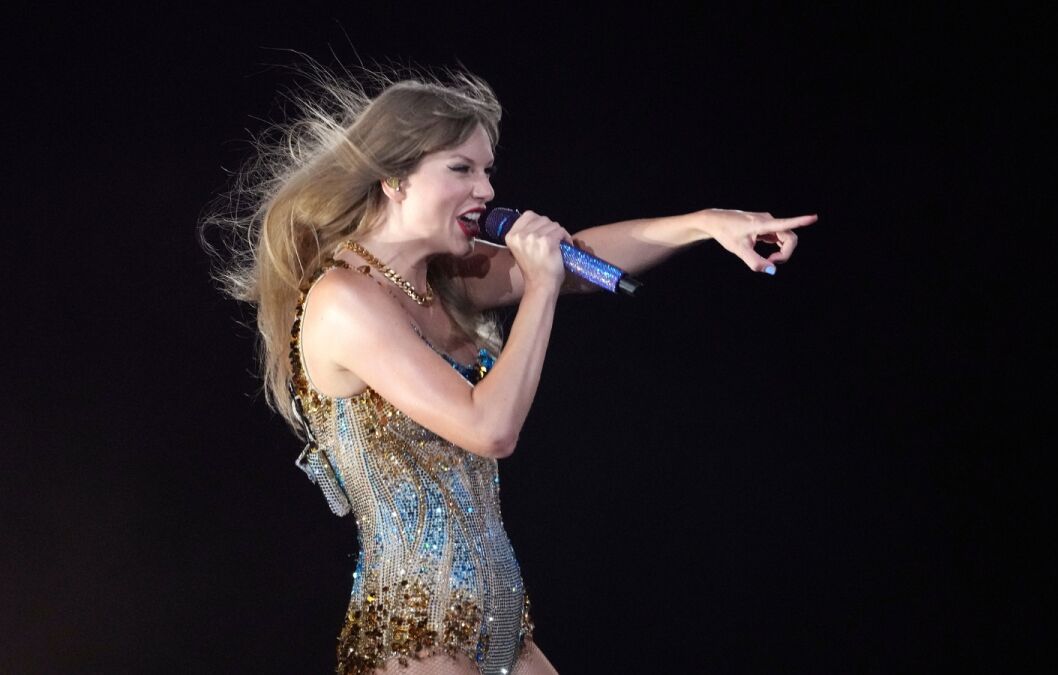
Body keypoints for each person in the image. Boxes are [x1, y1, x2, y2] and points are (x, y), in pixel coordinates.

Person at [210, 68, 814, 675]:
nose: (486, 189)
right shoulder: (345, 299)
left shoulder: (439, 279)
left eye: (487, 170)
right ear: (394, 177)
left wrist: (705, 223)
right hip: (414, 639)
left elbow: (578, 260)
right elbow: (490, 428)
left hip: (500, 627)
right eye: (461, 169)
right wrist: (541, 287)